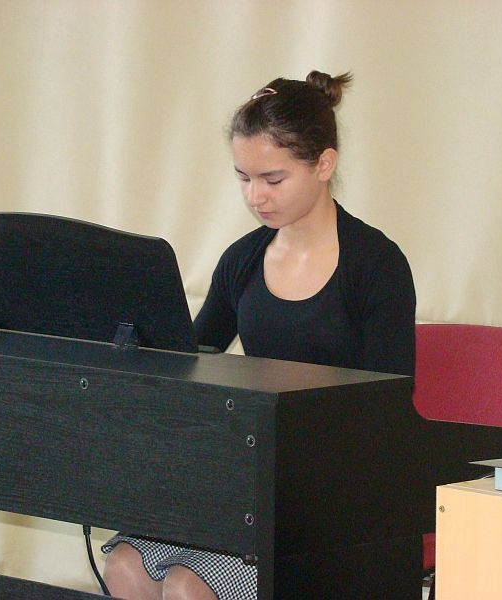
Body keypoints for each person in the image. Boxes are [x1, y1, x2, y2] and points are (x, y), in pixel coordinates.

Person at [101, 70, 416, 600]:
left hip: (338, 499)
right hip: (250, 479)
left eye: (272, 179)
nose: (255, 197)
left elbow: (389, 411)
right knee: (126, 567)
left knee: (186, 586)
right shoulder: (242, 260)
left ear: (324, 164)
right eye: (243, 178)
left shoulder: (376, 266)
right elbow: (189, 360)